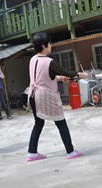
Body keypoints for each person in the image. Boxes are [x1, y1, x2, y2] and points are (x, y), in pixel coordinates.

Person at [26, 32, 88, 162]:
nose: (51, 46)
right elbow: (67, 72)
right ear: (44, 46)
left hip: (33, 95)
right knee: (61, 122)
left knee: (38, 123)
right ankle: (70, 151)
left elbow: (42, 77)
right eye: (49, 43)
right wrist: (81, 75)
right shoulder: (49, 62)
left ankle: (32, 153)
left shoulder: (33, 59)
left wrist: (59, 78)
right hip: (46, 96)